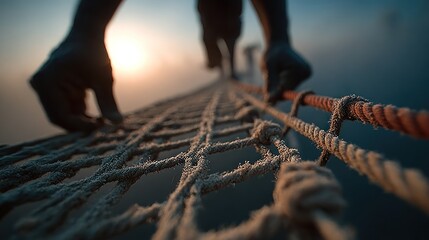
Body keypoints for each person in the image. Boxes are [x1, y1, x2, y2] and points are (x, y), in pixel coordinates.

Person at [29, 0, 311, 132]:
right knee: (217, 48)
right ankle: (223, 66)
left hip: (226, 22)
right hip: (213, 22)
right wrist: (278, 37)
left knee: (229, 45)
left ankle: (228, 69)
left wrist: (86, 30)